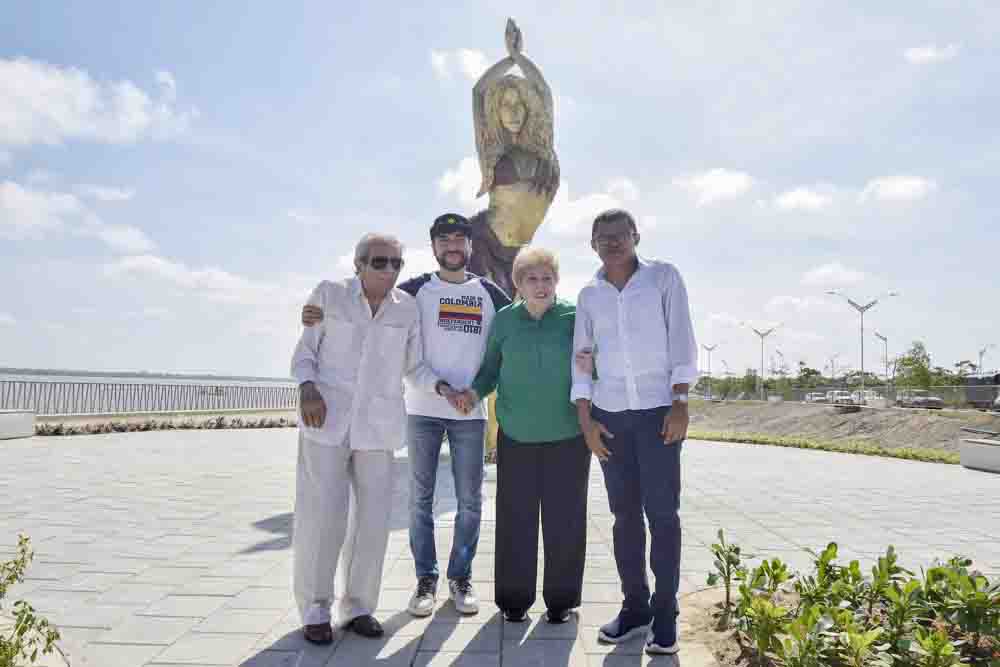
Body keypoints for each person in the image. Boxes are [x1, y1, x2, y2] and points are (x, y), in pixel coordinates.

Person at [301, 213, 511, 618]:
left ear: (469, 247)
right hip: (422, 411)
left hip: (470, 413)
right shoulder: (413, 290)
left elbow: (517, 329)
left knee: (470, 501)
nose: (452, 246)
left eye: (459, 239)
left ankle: (460, 577)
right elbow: (361, 297)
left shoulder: (489, 292)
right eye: (444, 239)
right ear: (433, 247)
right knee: (421, 501)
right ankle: (425, 580)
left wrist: (480, 390)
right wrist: (312, 314)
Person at [290, 232, 441, 643]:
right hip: (326, 421)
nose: (389, 270)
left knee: (373, 521)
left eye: (396, 263)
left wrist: (446, 388)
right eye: (380, 262)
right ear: (358, 264)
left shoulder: (407, 309)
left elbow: (415, 367)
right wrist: (307, 388)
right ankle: (315, 609)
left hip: (378, 426)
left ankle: (358, 607)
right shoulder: (328, 294)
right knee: (322, 517)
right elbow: (304, 353)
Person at [571, 209, 698, 657]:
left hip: (658, 413)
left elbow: (681, 339)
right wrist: (586, 420)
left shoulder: (663, 279)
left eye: (619, 235)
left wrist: (681, 401)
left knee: (663, 515)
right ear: (592, 244)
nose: (611, 242)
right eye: (602, 237)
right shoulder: (589, 295)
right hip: (610, 417)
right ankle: (635, 608)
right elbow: (582, 359)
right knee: (624, 517)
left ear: (636, 236)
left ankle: (665, 614)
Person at [455, 246, 590, 625]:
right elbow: (489, 372)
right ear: (518, 283)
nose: (541, 285)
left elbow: (592, 366)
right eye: (532, 278)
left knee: (566, 519)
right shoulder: (504, 321)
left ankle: (562, 601)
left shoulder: (575, 318)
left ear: (556, 281)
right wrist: (471, 394)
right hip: (516, 435)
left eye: (547, 278)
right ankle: (514, 600)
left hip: (568, 436)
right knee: (516, 519)